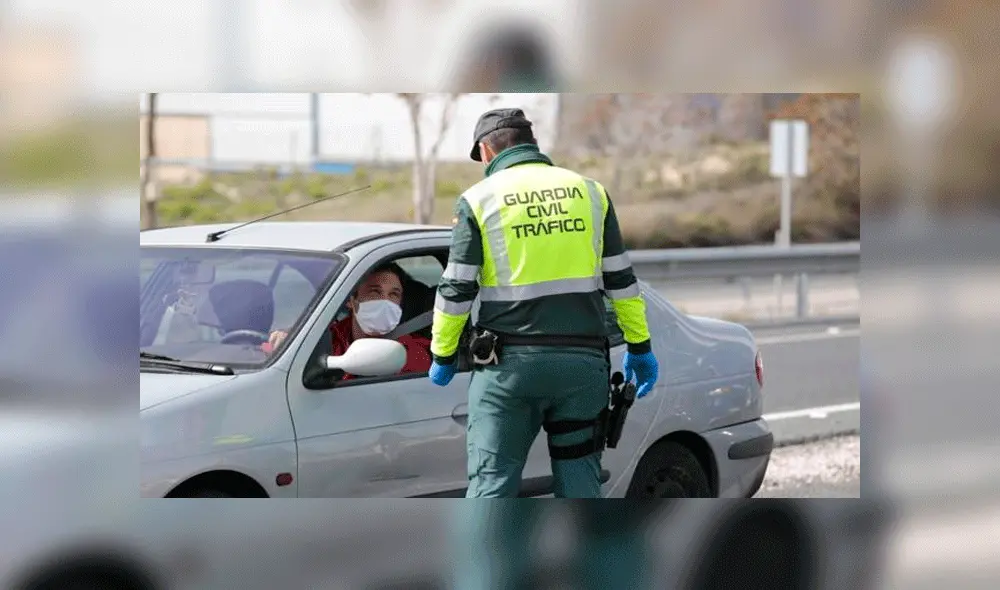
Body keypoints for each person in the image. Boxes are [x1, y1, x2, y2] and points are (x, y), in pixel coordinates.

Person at [427, 107, 659, 498]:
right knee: (581, 481)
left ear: (486, 151)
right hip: (582, 368)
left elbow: (456, 289)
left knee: (493, 482)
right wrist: (640, 347)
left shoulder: (479, 200)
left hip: (509, 371)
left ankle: (489, 562)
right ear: (533, 145)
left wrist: (443, 353)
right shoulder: (590, 192)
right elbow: (621, 280)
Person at [264, 262, 431, 379]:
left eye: (394, 294)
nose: (385, 302)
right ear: (351, 301)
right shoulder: (330, 337)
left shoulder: (414, 351)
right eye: (374, 292)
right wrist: (284, 342)